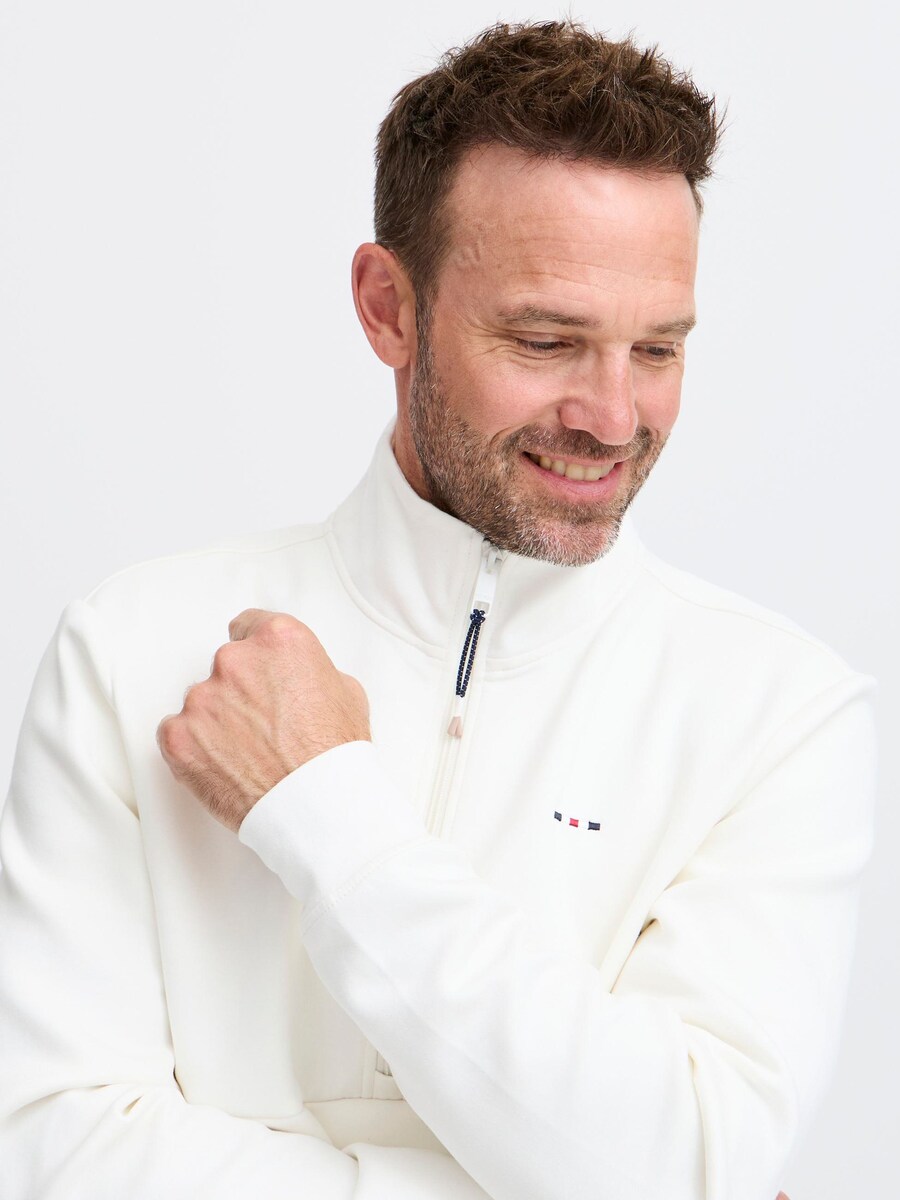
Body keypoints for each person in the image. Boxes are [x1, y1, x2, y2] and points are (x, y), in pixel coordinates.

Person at [0, 20, 872, 1200]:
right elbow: (50, 1156)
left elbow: (686, 1166)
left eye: (658, 350)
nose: (613, 418)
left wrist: (323, 807)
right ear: (388, 309)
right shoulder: (131, 650)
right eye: (546, 339)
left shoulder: (782, 715)